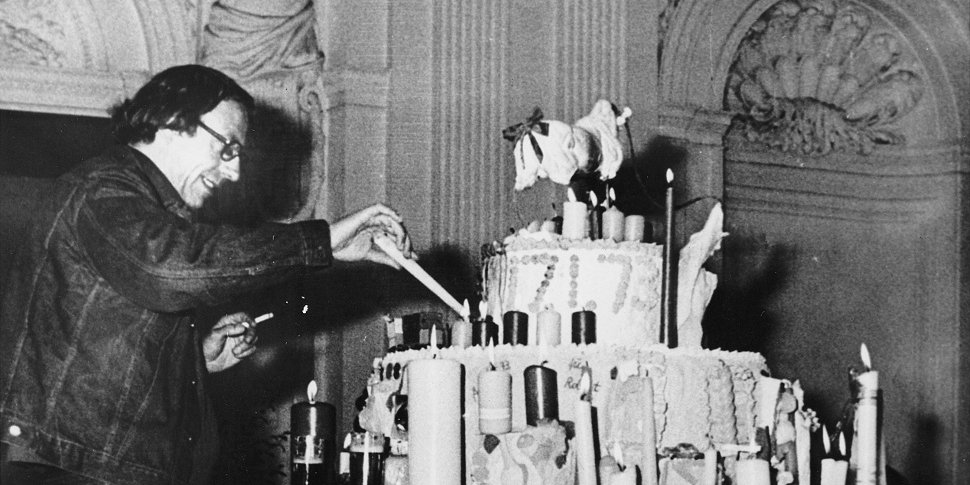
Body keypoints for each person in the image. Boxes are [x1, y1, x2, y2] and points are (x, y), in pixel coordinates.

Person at [0, 64, 413, 485]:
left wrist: (195, 361)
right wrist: (320, 239)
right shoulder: (103, 189)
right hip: (74, 467)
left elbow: (102, 338)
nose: (234, 172)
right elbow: (171, 268)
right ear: (171, 120)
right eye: (228, 147)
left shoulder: (133, 202)